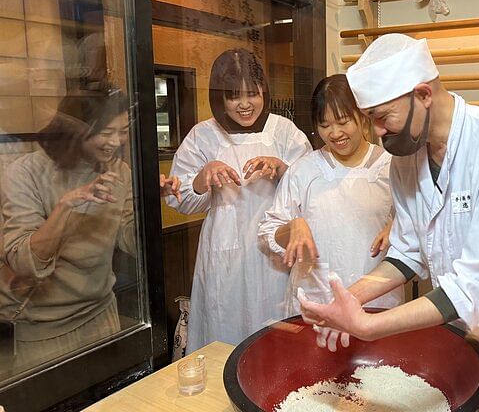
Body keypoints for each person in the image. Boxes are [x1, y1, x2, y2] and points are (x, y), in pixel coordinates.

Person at [299, 34, 479, 411]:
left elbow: (477, 285)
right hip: (466, 332)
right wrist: (350, 299)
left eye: (383, 118)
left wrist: (367, 326)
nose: (377, 133)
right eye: (371, 120)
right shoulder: (407, 158)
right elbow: (407, 253)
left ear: (423, 95)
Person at [166, 48, 311, 353]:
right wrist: (202, 178)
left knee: (273, 329)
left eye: (252, 94)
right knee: (223, 326)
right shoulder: (203, 135)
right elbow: (180, 200)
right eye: (233, 96)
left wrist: (283, 170)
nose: (245, 105)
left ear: (264, 91)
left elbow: (312, 190)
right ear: (220, 99)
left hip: (274, 251)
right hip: (224, 252)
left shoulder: (283, 132)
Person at [258, 75, 403, 346]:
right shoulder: (304, 170)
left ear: (362, 116)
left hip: (377, 301)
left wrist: (399, 224)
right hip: (315, 300)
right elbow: (267, 233)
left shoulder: (392, 167)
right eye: (324, 125)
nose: (334, 133)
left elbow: (424, 226)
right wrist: (293, 227)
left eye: (342, 121)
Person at [0, 88, 134, 367]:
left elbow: (128, 238)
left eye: (122, 131)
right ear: (75, 129)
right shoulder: (26, 172)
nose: (116, 142)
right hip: (42, 326)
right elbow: (22, 260)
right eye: (106, 132)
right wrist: (65, 208)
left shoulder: (119, 171)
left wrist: (153, 202)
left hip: (101, 313)